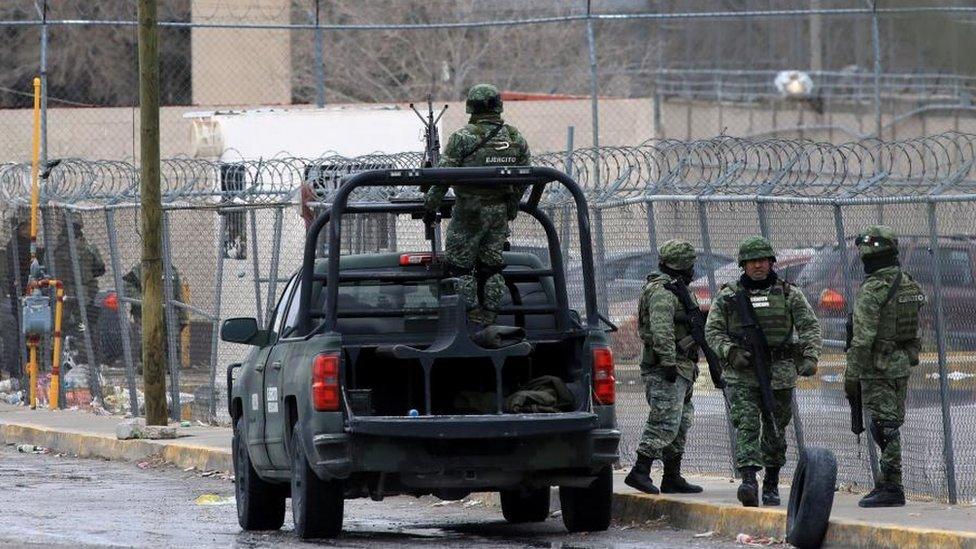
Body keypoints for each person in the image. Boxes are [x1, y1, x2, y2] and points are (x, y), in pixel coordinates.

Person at [705, 236, 821, 507]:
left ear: (771, 263)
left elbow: (810, 326)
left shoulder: (789, 293)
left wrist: (809, 357)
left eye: (763, 260)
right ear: (743, 265)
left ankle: (771, 482)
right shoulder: (729, 295)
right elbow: (713, 331)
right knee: (746, 425)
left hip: (779, 373)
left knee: (775, 429)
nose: (758, 266)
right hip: (742, 374)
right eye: (752, 261)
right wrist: (731, 351)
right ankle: (748, 481)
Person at [424, 83, 530, 335]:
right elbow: (524, 178)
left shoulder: (463, 137)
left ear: (471, 107)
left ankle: (471, 317)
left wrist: (430, 206)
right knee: (492, 266)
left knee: (461, 266)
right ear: (498, 106)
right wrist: (511, 208)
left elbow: (443, 176)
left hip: (468, 212)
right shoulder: (515, 138)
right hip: (499, 212)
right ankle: (490, 315)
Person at [845, 225, 923, 508]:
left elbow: (862, 339)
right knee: (889, 423)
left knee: (884, 426)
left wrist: (851, 376)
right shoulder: (909, 283)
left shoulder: (873, 289)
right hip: (901, 363)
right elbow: (913, 327)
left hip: (877, 367)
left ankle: (892, 486)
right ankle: (888, 483)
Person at [624, 239, 703, 495]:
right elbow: (661, 331)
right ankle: (640, 470)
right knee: (664, 421)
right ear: (683, 266)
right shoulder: (662, 291)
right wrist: (668, 362)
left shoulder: (678, 288)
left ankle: (672, 476)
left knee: (681, 422)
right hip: (666, 367)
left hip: (684, 366)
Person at [123, 263, 189, 367]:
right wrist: (143, 300)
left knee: (171, 339)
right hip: (146, 312)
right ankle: (147, 366)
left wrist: (183, 316)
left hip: (168, 312)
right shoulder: (141, 268)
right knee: (148, 339)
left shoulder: (171, 271)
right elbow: (127, 285)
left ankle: (170, 367)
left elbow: (178, 294)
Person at [52, 217, 106, 340]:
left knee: (60, 324)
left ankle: (59, 348)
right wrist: (86, 274)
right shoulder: (88, 247)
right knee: (83, 324)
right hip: (84, 292)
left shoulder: (55, 247)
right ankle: (84, 346)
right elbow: (100, 269)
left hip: (62, 291)